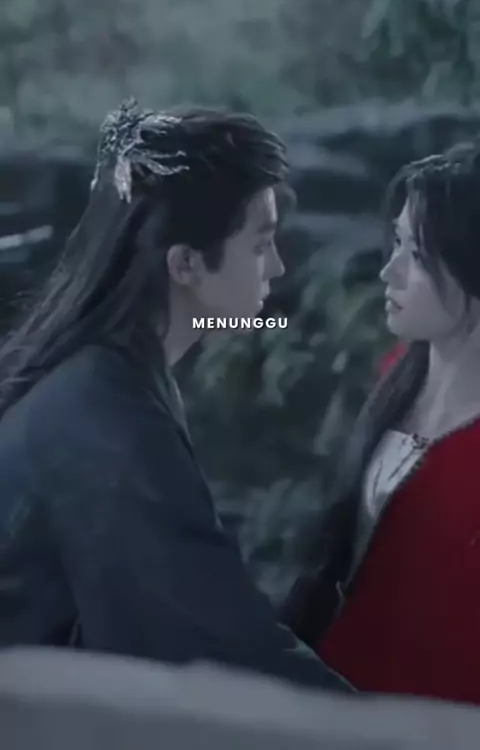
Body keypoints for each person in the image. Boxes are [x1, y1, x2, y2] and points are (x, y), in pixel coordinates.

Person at [0, 98, 352, 692]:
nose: (276, 267)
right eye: (260, 244)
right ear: (186, 263)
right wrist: (394, 729)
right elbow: (210, 645)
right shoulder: (102, 417)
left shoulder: (109, 379)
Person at [281, 140, 480, 705]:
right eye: (395, 243)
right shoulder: (397, 372)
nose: (389, 271)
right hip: (335, 693)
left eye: (415, 253)